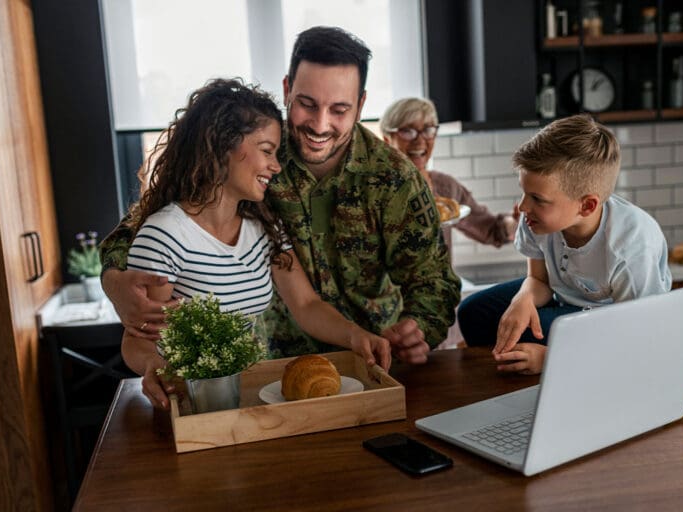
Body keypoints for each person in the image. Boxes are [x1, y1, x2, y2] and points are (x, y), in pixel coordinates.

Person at [100, 26, 461, 366]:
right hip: (275, 371)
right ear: (287, 88)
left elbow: (434, 283)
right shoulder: (252, 150)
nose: (320, 125)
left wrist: (419, 330)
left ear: (361, 105)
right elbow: (145, 229)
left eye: (339, 110)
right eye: (307, 104)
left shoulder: (395, 179)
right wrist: (115, 283)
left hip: (373, 363)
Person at [118, 78, 392, 410]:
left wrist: (355, 336)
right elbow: (137, 340)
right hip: (186, 405)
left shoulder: (264, 226)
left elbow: (305, 305)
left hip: (246, 396)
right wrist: (154, 366)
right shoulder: (165, 235)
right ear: (222, 147)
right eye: (266, 151)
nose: (275, 166)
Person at [457, 114, 671, 374]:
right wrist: (524, 299)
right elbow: (539, 280)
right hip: (561, 294)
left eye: (537, 198)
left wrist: (551, 359)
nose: (524, 206)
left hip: (613, 317)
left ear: (587, 205)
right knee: (471, 314)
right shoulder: (537, 220)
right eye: (524, 192)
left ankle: (553, 375)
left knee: (527, 337)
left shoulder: (629, 248)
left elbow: (642, 336)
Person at [380, 97, 518, 247]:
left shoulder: (445, 187)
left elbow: (490, 229)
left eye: (427, 130)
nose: (420, 141)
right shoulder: (371, 190)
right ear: (387, 140)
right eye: (408, 131)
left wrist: (514, 223)